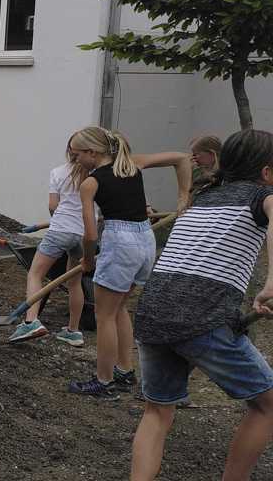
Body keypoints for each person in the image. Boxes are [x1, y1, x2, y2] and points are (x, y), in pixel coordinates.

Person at [130, 129, 273, 481]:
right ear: (267, 172)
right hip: (202, 316)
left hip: (153, 311)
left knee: (156, 412)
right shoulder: (263, 196)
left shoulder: (205, 196)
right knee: (267, 406)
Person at [66, 127, 190, 400]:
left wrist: (87, 260)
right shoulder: (132, 165)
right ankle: (124, 369)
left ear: (91, 153)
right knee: (120, 307)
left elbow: (89, 234)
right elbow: (182, 158)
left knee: (104, 315)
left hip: (120, 242)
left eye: (76, 156)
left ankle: (104, 381)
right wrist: (183, 195)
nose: (75, 161)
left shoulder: (91, 183)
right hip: (145, 240)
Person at [9, 138, 89, 346]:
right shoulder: (95, 174)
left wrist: (58, 217)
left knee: (35, 274)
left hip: (60, 230)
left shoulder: (59, 172)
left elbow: (53, 205)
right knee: (74, 283)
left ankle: (31, 322)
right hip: (82, 233)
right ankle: (73, 331)